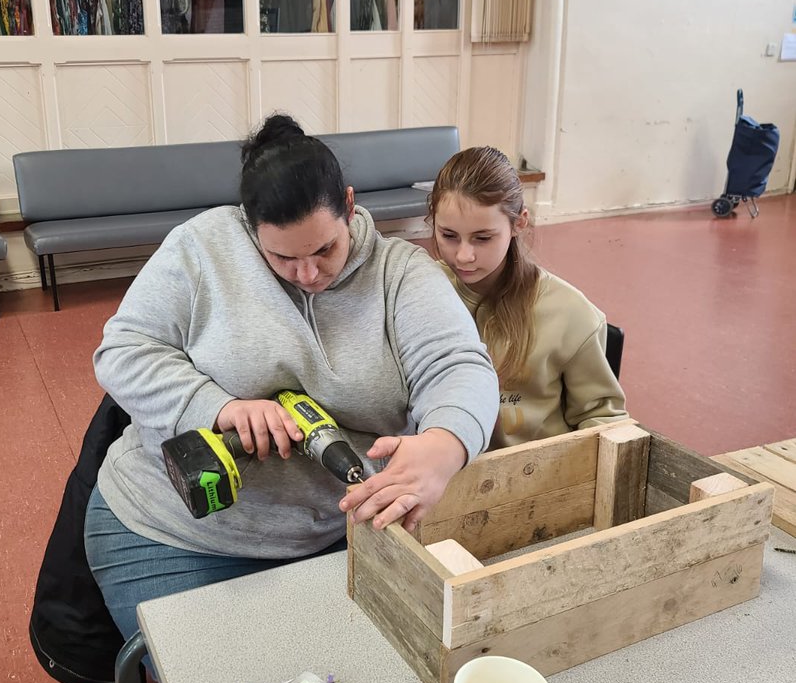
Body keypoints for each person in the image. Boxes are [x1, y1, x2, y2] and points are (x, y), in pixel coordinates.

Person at [84, 115, 499, 642]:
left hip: (340, 532)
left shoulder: (401, 273)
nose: (308, 274)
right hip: (176, 535)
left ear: (349, 207)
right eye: (282, 256)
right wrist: (216, 406)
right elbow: (123, 351)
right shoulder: (201, 248)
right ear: (248, 225)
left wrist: (445, 445)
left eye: (325, 249)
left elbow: (459, 367)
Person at [430, 145, 628, 448]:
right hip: (444, 476)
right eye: (448, 235)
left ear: (518, 224)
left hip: (536, 478)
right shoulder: (420, 292)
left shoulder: (572, 314)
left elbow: (604, 420)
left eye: (483, 238)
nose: (464, 256)